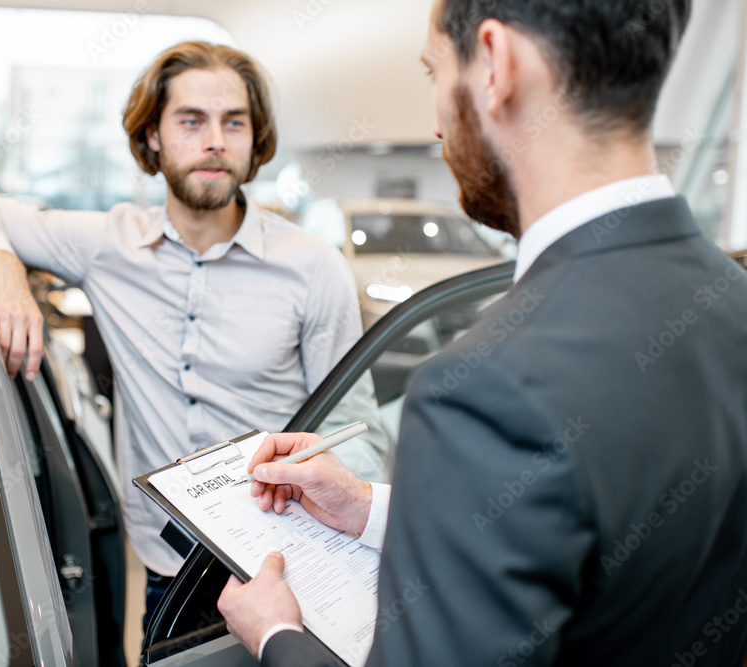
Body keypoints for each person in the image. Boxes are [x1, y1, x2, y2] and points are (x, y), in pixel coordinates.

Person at [218, 0, 747, 664]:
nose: (435, 120)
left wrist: (277, 635)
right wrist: (364, 506)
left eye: (434, 71)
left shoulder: (486, 391)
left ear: (494, 64)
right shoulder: (731, 301)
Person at [0, 41, 386, 629]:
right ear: (152, 136)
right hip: (168, 571)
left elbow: (354, 428)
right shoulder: (106, 245)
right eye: (191, 121)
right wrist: (4, 265)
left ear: (256, 142)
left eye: (234, 123)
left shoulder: (313, 266)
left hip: (286, 565)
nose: (215, 140)